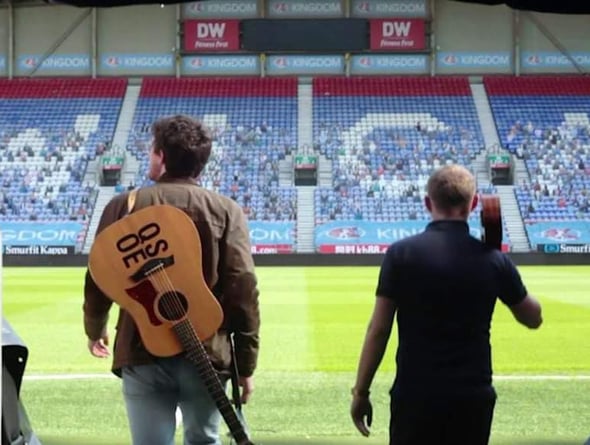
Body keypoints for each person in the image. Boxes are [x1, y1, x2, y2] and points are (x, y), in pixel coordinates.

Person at [83, 115, 260, 445]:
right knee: (205, 440)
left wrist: (95, 329)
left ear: (161, 156)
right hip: (208, 348)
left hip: (141, 349)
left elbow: (98, 279)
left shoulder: (123, 206)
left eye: (152, 150)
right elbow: (243, 288)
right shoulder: (226, 210)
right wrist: (246, 363)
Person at [350, 164, 542, 445]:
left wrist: (361, 392)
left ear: (428, 203)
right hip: (472, 398)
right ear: (473, 204)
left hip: (415, 396)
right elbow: (533, 317)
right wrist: (502, 262)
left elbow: (378, 330)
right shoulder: (493, 260)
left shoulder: (400, 254)